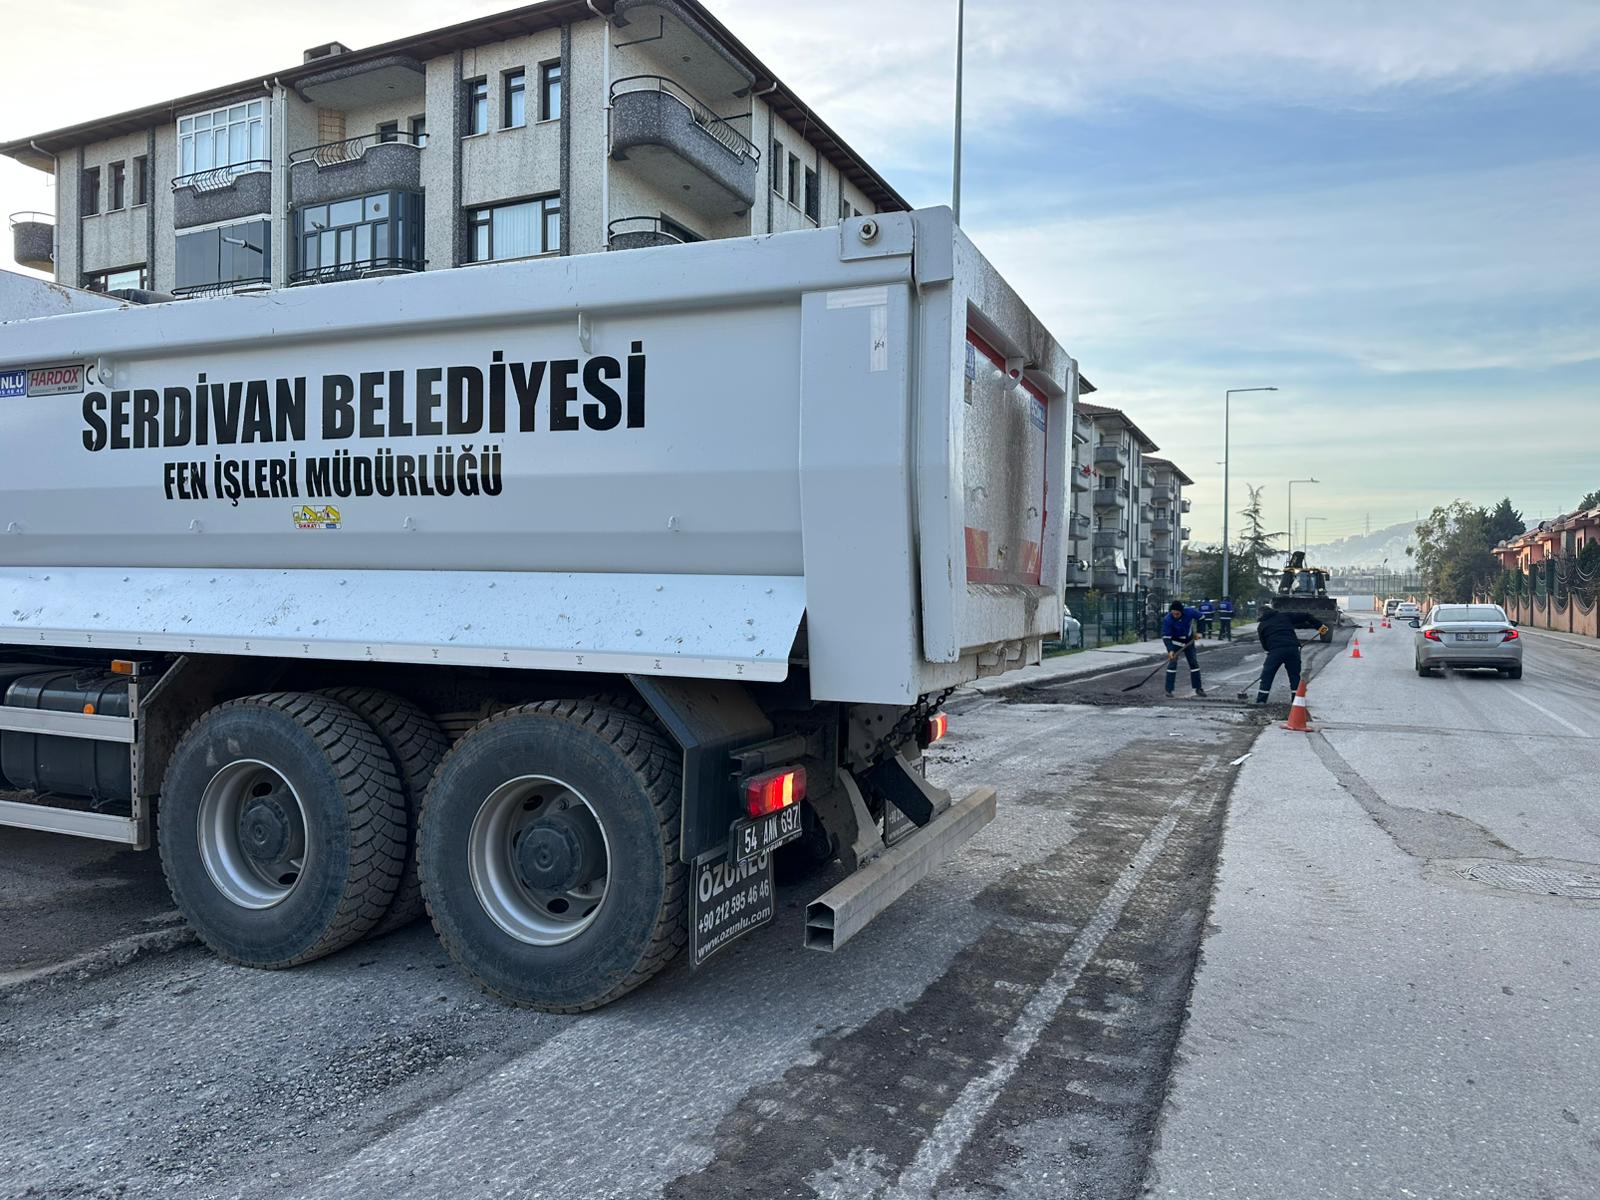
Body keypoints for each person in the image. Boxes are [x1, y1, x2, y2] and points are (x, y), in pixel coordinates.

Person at [1238, 602, 1329, 704]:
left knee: (1267, 675)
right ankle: (1296, 701)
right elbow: (1306, 616)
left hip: (1276, 651)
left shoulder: (1262, 626)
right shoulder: (1284, 616)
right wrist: (1320, 626)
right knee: (1294, 675)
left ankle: (1261, 701)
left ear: (1261, 615)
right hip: (1293, 649)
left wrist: (1270, 651)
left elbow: (1265, 645)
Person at [1160, 600, 1207, 698]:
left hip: (1189, 642)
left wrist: (1200, 632)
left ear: (1181, 612)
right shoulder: (1168, 619)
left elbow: (1201, 618)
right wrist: (1170, 650)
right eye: (1173, 613)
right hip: (1175, 643)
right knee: (1172, 664)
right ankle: (1169, 690)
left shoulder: (1190, 612)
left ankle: (1198, 688)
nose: (1175, 616)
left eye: (1177, 614)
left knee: (1193, 663)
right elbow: (1166, 637)